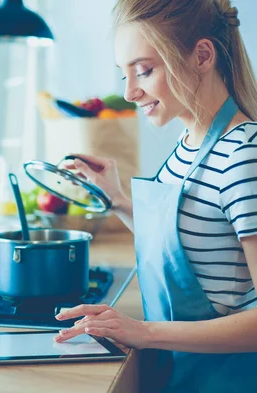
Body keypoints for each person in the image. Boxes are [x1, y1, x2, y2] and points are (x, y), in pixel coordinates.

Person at [52, 1, 257, 392]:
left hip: (227, 379)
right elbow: (193, 244)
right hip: (180, 372)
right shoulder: (187, 143)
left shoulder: (243, 157)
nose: (129, 92)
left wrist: (144, 332)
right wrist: (116, 199)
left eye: (144, 71)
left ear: (202, 56)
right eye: (124, 74)